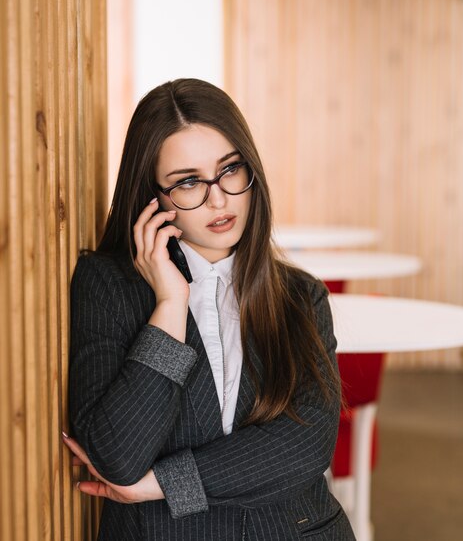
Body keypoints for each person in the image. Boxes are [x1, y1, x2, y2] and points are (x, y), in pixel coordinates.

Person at [63, 78, 355, 541]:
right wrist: (170, 304)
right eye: (188, 182)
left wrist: (160, 484)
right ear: (154, 197)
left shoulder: (301, 296)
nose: (218, 199)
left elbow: (306, 445)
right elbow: (117, 457)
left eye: (230, 170)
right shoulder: (108, 285)